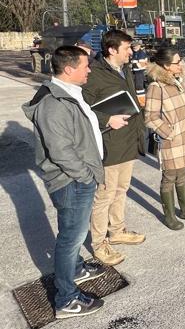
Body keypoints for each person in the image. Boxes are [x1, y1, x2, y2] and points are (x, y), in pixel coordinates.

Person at [22, 46, 106, 319]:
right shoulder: (53, 103)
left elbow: (81, 133)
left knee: (71, 232)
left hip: (78, 179)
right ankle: (66, 299)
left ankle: (77, 268)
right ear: (69, 69)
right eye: (85, 66)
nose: (89, 70)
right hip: (71, 181)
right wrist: (85, 176)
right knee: (71, 239)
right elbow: (61, 151)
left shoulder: (69, 93)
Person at [82, 29, 146, 266]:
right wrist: (106, 120)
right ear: (112, 49)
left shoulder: (125, 69)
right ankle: (99, 244)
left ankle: (117, 230)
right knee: (104, 196)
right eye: (127, 48)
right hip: (109, 144)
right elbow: (83, 109)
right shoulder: (94, 74)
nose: (131, 52)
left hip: (128, 140)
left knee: (121, 189)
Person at [144, 48, 185, 230]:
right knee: (169, 177)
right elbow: (150, 117)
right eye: (177, 62)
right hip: (171, 140)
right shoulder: (156, 87)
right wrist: (170, 133)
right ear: (167, 66)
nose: (181, 64)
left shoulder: (180, 81)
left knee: (183, 175)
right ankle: (169, 216)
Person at [131, 40, 148, 107]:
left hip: (139, 73)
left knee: (139, 89)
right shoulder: (134, 53)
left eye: (135, 46)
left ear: (139, 46)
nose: (134, 47)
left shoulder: (141, 54)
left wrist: (132, 65)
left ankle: (142, 103)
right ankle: (138, 102)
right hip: (135, 73)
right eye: (133, 46)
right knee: (136, 88)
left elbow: (142, 65)